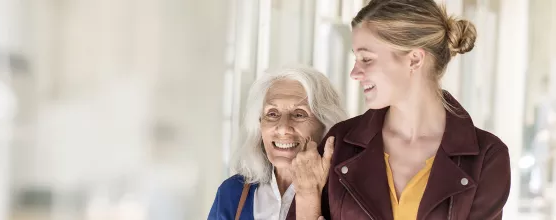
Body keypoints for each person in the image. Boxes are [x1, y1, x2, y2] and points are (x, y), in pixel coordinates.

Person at [290, 0, 511, 219]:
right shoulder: (339, 143)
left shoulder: (487, 158)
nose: (355, 73)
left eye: (366, 59)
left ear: (414, 59)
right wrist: (307, 195)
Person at [208, 66, 347, 220]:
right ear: (259, 124)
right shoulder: (232, 193)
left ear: (326, 126)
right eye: (272, 114)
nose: (283, 128)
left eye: (299, 114)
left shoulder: (347, 196)